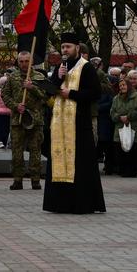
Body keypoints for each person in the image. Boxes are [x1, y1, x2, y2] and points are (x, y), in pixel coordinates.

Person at [43, 38, 105, 214]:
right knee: (58, 161)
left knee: (81, 164)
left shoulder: (86, 67)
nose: (65, 50)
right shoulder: (60, 67)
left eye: (68, 47)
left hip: (79, 124)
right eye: (63, 47)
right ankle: (60, 204)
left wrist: (71, 94)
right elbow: (49, 91)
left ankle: (82, 204)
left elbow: (95, 93)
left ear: (77, 48)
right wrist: (58, 77)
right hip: (59, 124)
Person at [1, 51, 47, 190]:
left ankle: (35, 179)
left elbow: (46, 96)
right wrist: (15, 106)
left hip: (35, 119)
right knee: (17, 151)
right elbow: (5, 95)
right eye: (21, 61)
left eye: (27, 61)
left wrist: (32, 88)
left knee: (35, 150)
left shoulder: (39, 77)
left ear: (31, 61)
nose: (24, 64)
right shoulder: (12, 77)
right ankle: (17, 179)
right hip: (18, 119)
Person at [110, 77, 137, 177]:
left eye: (124, 85)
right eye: (120, 86)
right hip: (121, 128)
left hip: (135, 129)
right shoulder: (116, 99)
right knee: (122, 151)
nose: (122, 87)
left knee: (136, 151)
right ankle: (125, 171)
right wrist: (120, 117)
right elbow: (112, 113)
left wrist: (128, 117)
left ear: (129, 85)